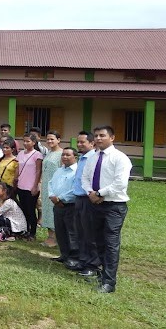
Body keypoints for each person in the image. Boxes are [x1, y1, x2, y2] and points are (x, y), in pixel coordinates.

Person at [80, 125, 132, 293]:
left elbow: (120, 183)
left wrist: (100, 193)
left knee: (111, 243)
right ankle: (101, 273)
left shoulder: (120, 158)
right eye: (96, 136)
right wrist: (90, 193)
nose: (98, 138)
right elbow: (85, 178)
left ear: (112, 138)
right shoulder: (92, 158)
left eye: (102, 135)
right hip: (94, 204)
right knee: (97, 241)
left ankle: (109, 282)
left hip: (113, 206)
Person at [72, 131, 99, 274]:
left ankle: (92, 264)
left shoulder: (93, 158)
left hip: (89, 199)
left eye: (82, 142)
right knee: (80, 232)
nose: (79, 145)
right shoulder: (82, 158)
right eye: (78, 142)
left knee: (90, 234)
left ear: (91, 143)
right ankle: (82, 260)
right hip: (79, 198)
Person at [48, 147, 79, 269]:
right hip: (57, 205)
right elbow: (51, 183)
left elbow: (75, 189)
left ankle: (74, 257)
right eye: (63, 155)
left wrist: (60, 198)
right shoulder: (59, 170)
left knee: (71, 232)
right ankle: (64, 254)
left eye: (67, 155)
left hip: (70, 205)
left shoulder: (77, 171)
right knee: (60, 231)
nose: (64, 157)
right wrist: (52, 196)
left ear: (75, 157)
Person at [15, 133, 43, 240]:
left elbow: (38, 170)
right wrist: (16, 180)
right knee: (24, 209)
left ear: (34, 142)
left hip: (31, 186)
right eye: (24, 141)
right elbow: (18, 168)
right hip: (21, 185)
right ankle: (25, 229)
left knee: (31, 210)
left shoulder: (37, 155)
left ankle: (33, 232)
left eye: (28, 141)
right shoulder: (20, 153)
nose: (25, 143)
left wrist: (35, 186)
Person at [40, 131, 63, 247]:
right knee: (47, 211)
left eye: (52, 139)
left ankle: (56, 238)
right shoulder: (48, 153)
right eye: (48, 139)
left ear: (58, 140)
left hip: (56, 187)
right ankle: (50, 236)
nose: (49, 141)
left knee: (54, 211)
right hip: (46, 186)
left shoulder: (62, 154)